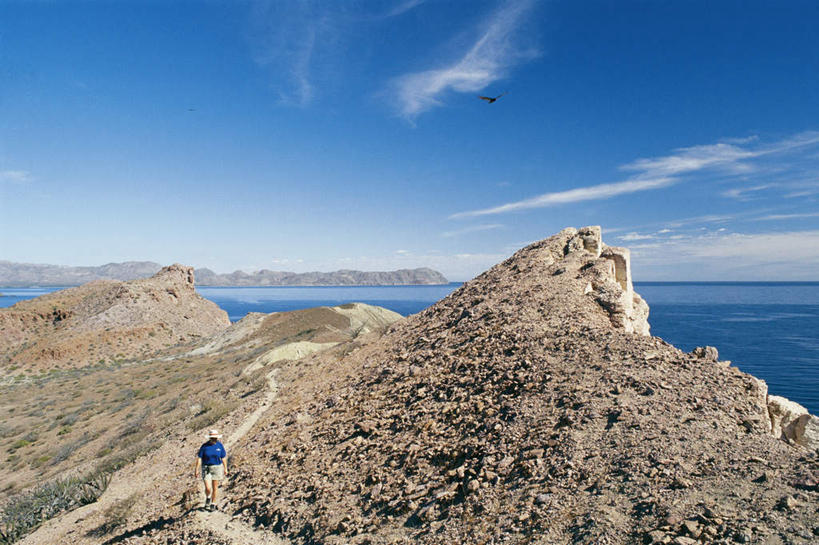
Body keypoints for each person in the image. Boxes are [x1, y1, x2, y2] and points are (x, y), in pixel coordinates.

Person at [194, 429, 227, 511]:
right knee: (208, 487)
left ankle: (213, 503)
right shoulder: (204, 446)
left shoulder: (220, 446)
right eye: (212, 438)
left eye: (215, 438)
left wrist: (225, 468)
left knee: (215, 487)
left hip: (217, 467)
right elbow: (199, 458)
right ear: (209, 438)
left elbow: (223, 457)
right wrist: (196, 469)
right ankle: (208, 497)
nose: (214, 440)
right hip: (206, 468)